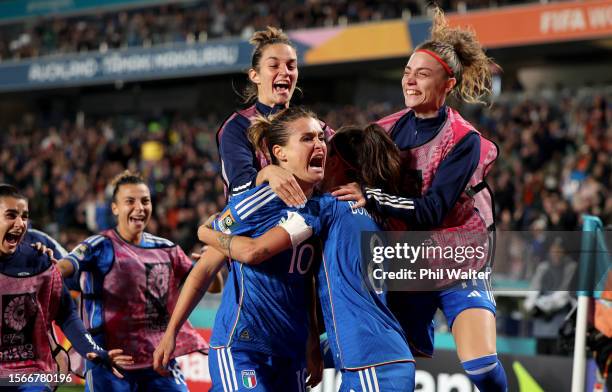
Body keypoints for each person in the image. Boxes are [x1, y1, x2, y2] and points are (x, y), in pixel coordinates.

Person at [332, 7, 506, 391]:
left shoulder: (464, 139)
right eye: (407, 72)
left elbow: (430, 211)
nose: (409, 81)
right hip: (409, 257)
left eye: (422, 74)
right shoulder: (384, 129)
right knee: (391, 359)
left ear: (448, 84)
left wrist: (372, 197)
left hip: (460, 251)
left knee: (480, 366)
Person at [198, 124, 416, 391]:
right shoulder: (378, 216)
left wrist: (206, 232)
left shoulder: (328, 207)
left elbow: (253, 251)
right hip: (384, 356)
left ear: (338, 163)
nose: (321, 151)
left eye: (327, 149)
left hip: (369, 363)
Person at [154, 106, 326, 391]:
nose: (319, 144)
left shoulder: (321, 207)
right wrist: (171, 332)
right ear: (280, 153)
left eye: (321, 137)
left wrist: (311, 343)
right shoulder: (256, 202)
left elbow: (304, 281)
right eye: (307, 138)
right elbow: (205, 269)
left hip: (290, 351)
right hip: (243, 347)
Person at [56, 172, 208, 392]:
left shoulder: (166, 248)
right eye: (130, 201)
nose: (140, 207)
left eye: (145, 201)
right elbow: (62, 268)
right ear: (115, 208)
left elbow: (211, 284)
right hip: (110, 363)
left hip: (157, 360)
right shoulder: (99, 245)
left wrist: (207, 263)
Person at [0, 184, 131, 392]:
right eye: (11, 215)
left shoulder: (39, 259)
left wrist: (92, 349)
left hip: (28, 372)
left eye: (24, 216)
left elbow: (66, 313)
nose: (20, 224)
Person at [217, 26, 333, 206]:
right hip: (259, 227)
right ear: (255, 75)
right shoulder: (238, 127)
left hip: (314, 223)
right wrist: (266, 173)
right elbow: (237, 191)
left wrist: (360, 188)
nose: (285, 72)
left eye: (291, 66)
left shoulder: (317, 128)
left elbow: (351, 169)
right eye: (274, 65)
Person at [524, 237, 577, 355]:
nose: (556, 254)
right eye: (554, 250)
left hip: (560, 326)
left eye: (559, 250)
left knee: (558, 360)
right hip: (541, 327)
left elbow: (564, 294)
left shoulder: (571, 267)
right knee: (541, 361)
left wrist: (544, 306)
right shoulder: (543, 267)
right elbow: (533, 289)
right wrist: (531, 306)